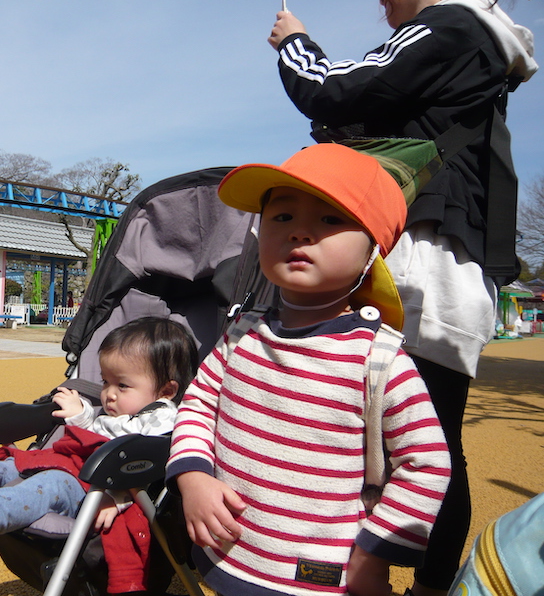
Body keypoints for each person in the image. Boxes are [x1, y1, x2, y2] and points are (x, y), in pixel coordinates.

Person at [268, 0, 537, 595]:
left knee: (411, 448)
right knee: (422, 444)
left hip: (423, 269)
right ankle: (419, 585)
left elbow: (336, 89)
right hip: (444, 270)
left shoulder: (452, 26)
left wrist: (295, 41)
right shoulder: (475, 48)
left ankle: (404, 584)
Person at [166, 144, 451, 596]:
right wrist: (193, 475)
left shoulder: (379, 361)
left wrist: (373, 552)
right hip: (229, 553)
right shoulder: (243, 332)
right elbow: (199, 404)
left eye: (330, 219)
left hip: (318, 575)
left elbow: (428, 464)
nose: (300, 232)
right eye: (281, 217)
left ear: (373, 248)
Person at [0, 316, 198, 543]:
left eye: (122, 386)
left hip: (96, 488)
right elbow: (98, 427)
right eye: (106, 382)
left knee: (51, 482)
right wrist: (79, 412)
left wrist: (116, 497)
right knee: (26, 463)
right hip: (76, 470)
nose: (109, 395)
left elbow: (146, 467)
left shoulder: (162, 421)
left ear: (166, 391)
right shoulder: (120, 412)